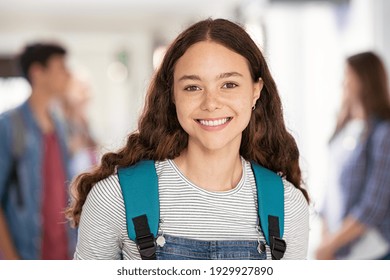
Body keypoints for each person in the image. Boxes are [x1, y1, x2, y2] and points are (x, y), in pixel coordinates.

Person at [66, 18, 310, 260]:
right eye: (193, 87)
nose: (211, 103)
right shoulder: (115, 197)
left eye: (229, 84)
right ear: (172, 94)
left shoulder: (288, 206)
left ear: (256, 90)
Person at [0, 42, 77, 259]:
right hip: (27, 254)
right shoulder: (8, 125)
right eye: (61, 67)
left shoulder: (59, 125)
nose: (68, 74)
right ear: (38, 72)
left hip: (63, 252)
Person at [316, 51, 390, 260]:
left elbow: (373, 206)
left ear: (365, 79)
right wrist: (326, 239)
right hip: (339, 248)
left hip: (372, 250)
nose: (343, 81)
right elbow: (329, 188)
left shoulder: (383, 133)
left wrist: (331, 244)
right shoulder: (345, 127)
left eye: (349, 74)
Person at [60, 74, 99, 180]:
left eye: (87, 88)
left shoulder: (85, 123)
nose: (87, 93)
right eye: (81, 87)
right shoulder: (61, 124)